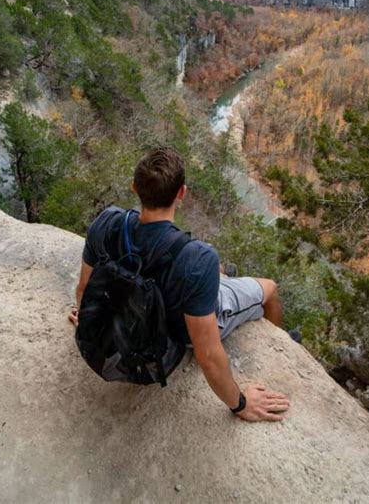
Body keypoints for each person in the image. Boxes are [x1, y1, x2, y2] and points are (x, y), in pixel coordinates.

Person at [69, 146, 290, 422]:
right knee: (269, 288)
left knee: (213, 266)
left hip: (128, 310)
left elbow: (84, 289)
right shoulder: (197, 258)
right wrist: (241, 405)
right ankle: (282, 340)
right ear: (181, 194)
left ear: (135, 188)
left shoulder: (106, 223)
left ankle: (221, 278)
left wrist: (91, 321)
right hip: (174, 336)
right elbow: (207, 353)